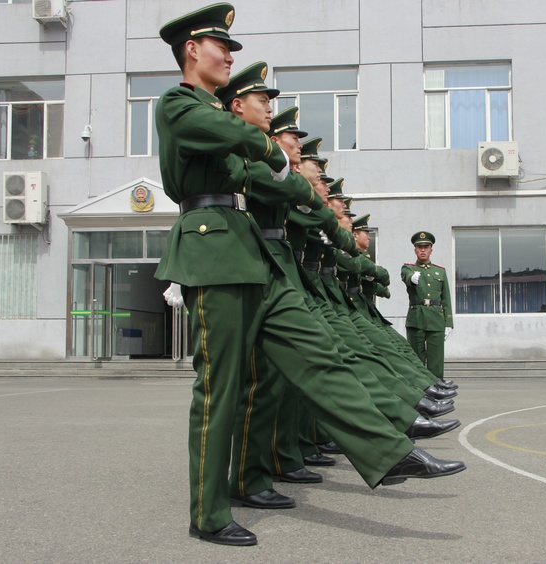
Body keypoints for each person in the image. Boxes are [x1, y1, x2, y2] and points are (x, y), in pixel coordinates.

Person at [155, 4, 465, 547]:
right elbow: (239, 148)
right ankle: (208, 512)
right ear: (191, 50)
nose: (228, 56)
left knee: (318, 355)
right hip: (212, 251)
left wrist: (273, 159)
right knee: (220, 389)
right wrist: (267, 148)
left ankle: (389, 451)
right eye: (221, 47)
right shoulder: (179, 104)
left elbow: (274, 179)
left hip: (254, 256)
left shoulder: (226, 123)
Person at [401, 231, 454, 380]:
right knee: (416, 359)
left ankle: (437, 386)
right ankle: (418, 388)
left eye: (426, 247)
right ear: (415, 250)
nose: (423, 250)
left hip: (436, 320)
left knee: (436, 359)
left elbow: (446, 298)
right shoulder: (409, 268)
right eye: (419, 247)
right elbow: (406, 277)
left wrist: (448, 322)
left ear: (431, 249)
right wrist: (411, 278)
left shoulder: (440, 271)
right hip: (416, 319)